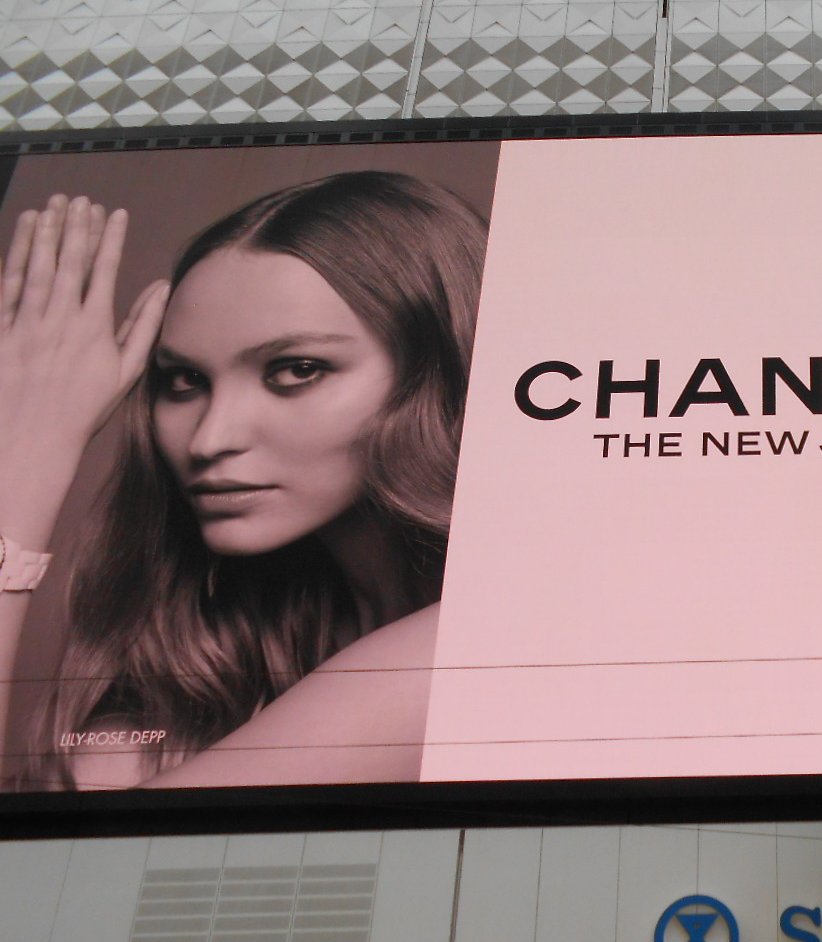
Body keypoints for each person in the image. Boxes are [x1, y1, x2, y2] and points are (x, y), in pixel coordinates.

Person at [0, 171, 486, 789]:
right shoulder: (226, 651)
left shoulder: (474, 638)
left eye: (297, 369)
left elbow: (87, 843)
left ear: (439, 376)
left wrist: (26, 460)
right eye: (185, 381)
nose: (209, 439)